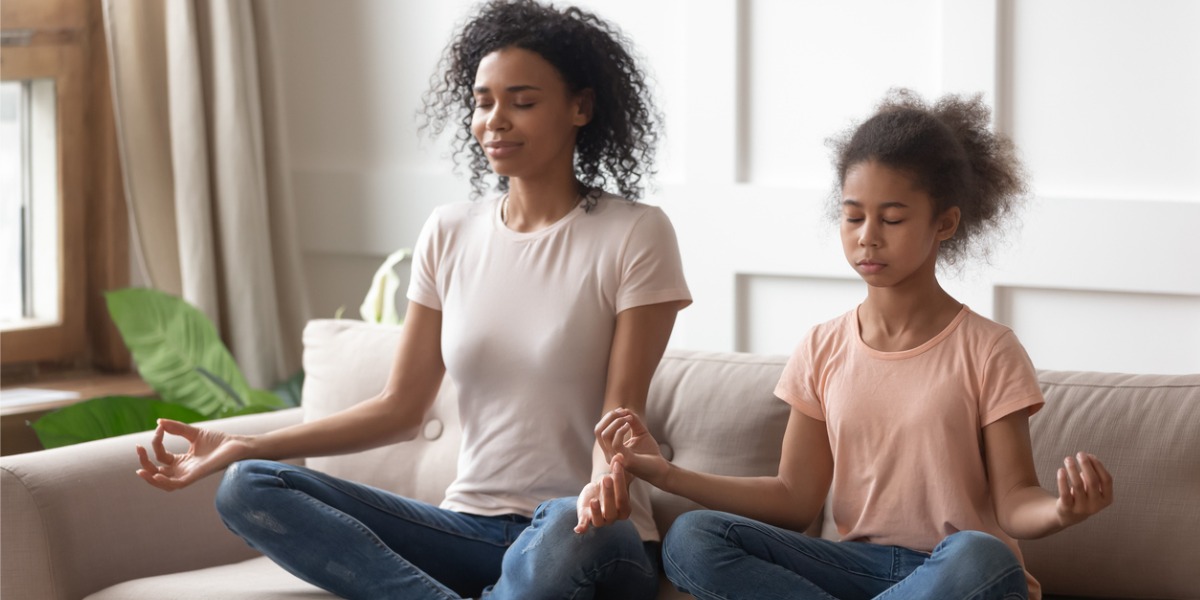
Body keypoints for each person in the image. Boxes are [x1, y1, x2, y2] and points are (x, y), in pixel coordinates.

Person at [134, 1, 690, 598]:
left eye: (522, 102)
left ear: (580, 106)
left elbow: (620, 416)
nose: (494, 121)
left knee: (568, 531)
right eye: (482, 102)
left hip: (584, 530)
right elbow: (400, 407)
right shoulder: (449, 231)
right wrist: (248, 442)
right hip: (469, 529)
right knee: (248, 485)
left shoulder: (635, 232)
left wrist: (599, 487)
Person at [593, 89, 1114, 600]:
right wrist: (666, 474)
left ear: (945, 222)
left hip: (959, 572)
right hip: (855, 568)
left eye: (891, 219)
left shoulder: (989, 349)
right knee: (693, 539)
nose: (868, 236)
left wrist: (1062, 511)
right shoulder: (822, 347)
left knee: (981, 553)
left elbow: (1015, 501)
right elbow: (795, 499)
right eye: (853, 215)